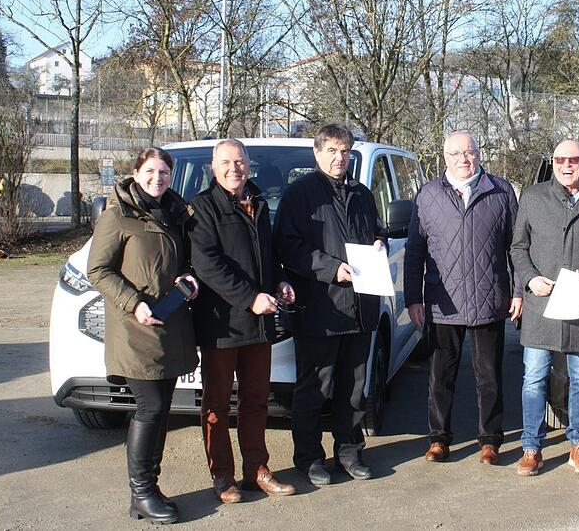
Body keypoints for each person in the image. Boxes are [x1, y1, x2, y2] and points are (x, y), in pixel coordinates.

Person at [87, 147, 199, 524]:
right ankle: (142, 493)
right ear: (136, 172)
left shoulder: (177, 213)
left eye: (164, 172)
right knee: (149, 409)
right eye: (150, 171)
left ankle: (148, 489)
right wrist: (134, 303)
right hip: (136, 329)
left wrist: (188, 277)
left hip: (170, 325)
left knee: (161, 410)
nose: (158, 178)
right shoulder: (117, 216)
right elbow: (99, 270)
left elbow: (180, 260)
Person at [273, 124, 385, 486]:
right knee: (314, 389)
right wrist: (330, 268)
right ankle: (308, 458)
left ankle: (350, 451)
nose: (340, 158)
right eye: (333, 151)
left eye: (345, 151)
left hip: (361, 307)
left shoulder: (364, 194)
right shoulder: (299, 195)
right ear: (317, 153)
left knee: (353, 389)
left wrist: (380, 243)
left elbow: (375, 231)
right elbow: (287, 246)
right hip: (320, 309)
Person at [187, 139, 297, 503]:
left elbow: (269, 256)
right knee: (217, 405)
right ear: (213, 167)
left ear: (248, 164)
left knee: (256, 401)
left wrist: (279, 280)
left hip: (260, 324)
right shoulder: (202, 208)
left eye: (240, 161)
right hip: (223, 324)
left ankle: (256, 470)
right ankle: (222, 477)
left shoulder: (260, 203)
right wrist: (251, 298)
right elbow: (207, 266)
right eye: (226, 162)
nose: (234, 168)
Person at [404, 132, 522, 465]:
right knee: (441, 376)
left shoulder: (500, 192)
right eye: (455, 153)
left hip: (489, 297)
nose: (463, 159)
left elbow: (516, 247)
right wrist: (413, 297)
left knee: (490, 376)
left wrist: (517, 291)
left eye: (469, 152)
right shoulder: (428, 195)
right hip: (444, 301)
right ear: (445, 157)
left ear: (479, 154)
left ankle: (490, 440)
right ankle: (439, 439)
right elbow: (415, 251)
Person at [510, 140, 579, 476]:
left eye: (573, 160)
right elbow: (518, 248)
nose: (566, 165)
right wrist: (530, 280)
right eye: (560, 159)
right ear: (553, 163)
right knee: (533, 379)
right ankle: (531, 447)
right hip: (541, 304)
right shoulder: (532, 197)